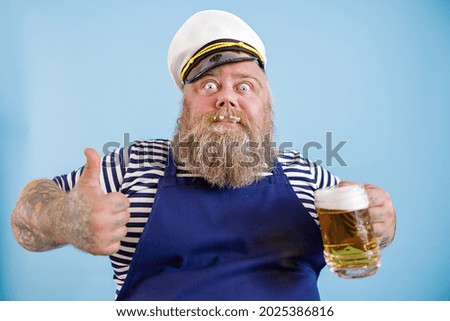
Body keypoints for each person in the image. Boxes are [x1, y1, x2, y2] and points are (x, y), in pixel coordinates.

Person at [10, 10, 396, 300]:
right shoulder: (133, 167)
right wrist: (66, 218)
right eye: (209, 84)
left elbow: (366, 232)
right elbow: (25, 217)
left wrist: (383, 224)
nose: (226, 96)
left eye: (245, 87)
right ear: (185, 105)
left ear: (268, 106)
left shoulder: (307, 178)